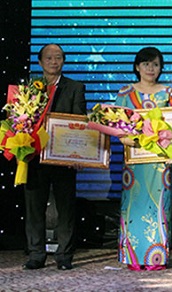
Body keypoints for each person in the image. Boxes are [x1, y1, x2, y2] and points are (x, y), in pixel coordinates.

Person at [23, 44, 87, 270]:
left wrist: (80, 153)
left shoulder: (75, 87)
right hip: (35, 157)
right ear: (40, 62)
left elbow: (80, 121)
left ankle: (64, 256)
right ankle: (36, 254)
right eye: (49, 58)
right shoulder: (28, 89)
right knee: (34, 208)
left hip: (63, 157)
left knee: (66, 208)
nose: (53, 61)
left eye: (58, 57)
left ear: (63, 61)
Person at [116, 47, 172, 271]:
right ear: (136, 67)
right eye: (146, 64)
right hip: (134, 161)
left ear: (161, 68)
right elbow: (116, 125)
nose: (150, 69)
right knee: (134, 206)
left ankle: (157, 257)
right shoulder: (125, 94)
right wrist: (125, 140)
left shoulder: (168, 93)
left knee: (160, 207)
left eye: (155, 64)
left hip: (161, 162)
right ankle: (133, 257)